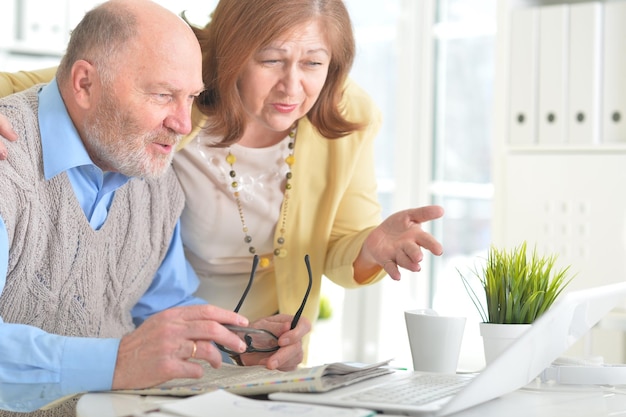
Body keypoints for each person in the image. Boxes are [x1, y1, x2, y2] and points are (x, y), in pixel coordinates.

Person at [0, 0, 443, 360]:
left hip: (244, 348)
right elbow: (74, 82)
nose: (293, 86)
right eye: (271, 60)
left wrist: (369, 248)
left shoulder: (348, 115)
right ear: (230, 56)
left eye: (313, 62)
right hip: (161, 345)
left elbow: (339, 242)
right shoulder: (178, 79)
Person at [0, 1, 309, 415]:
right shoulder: (7, 165)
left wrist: (234, 343)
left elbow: (163, 310)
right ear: (85, 84)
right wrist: (119, 362)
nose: (183, 123)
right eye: (163, 95)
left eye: (191, 98)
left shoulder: (153, 179)